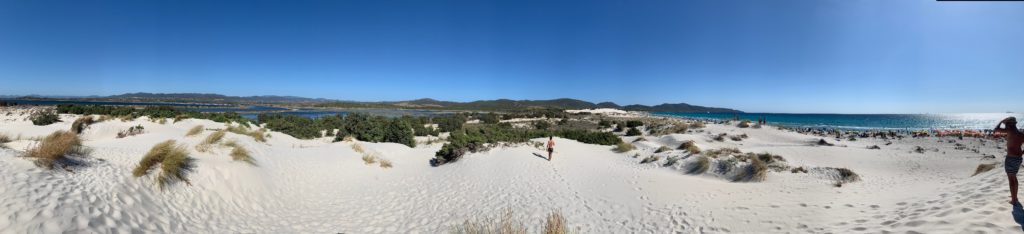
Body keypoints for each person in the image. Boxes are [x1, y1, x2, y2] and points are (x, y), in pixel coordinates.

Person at [995, 117, 1024, 204]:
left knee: (1011, 179)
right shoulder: (1021, 134)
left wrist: (1000, 121)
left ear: (1008, 125)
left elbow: (996, 129)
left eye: (1006, 124)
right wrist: (1022, 152)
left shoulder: (1009, 131)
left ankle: (1014, 200)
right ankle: (1014, 196)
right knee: (1014, 177)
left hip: (1011, 158)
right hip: (1018, 158)